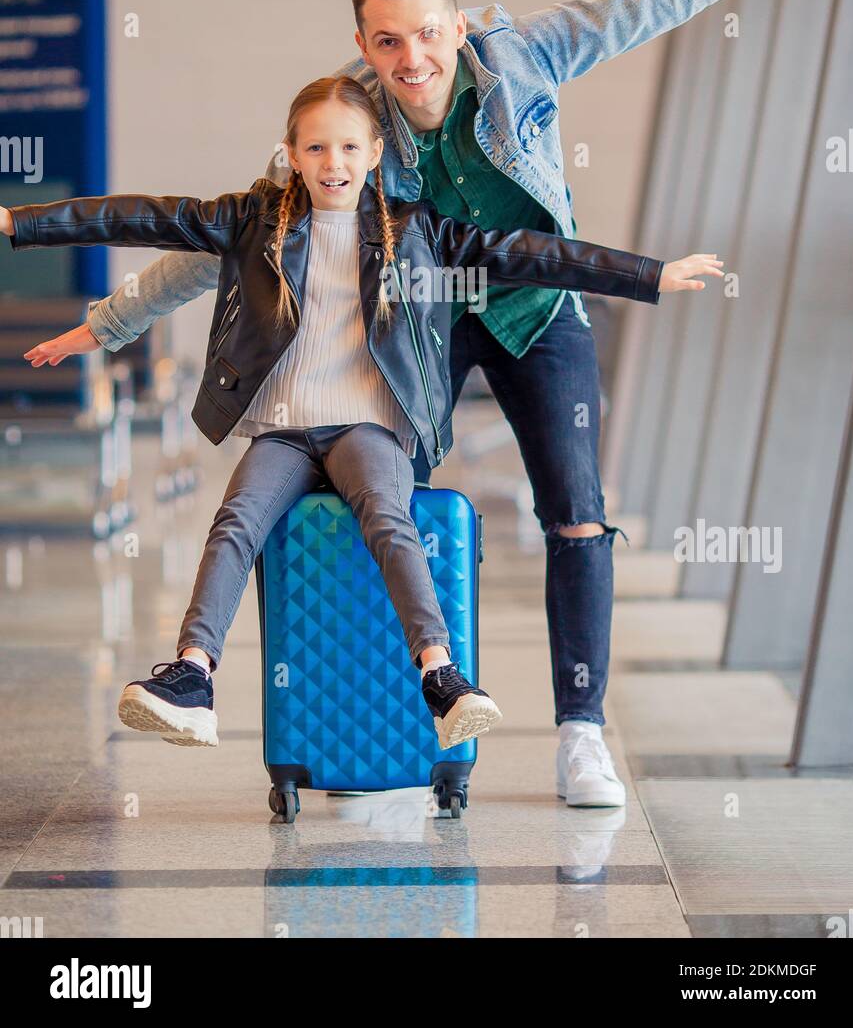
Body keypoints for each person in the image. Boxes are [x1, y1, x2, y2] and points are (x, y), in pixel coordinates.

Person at [22, 0, 853, 806]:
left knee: (576, 515)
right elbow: (238, 237)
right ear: (363, 45)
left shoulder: (527, 57)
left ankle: (579, 734)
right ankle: (363, 722)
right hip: (418, 324)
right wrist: (111, 324)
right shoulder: (344, 119)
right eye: (386, 41)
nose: (409, 58)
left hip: (533, 311)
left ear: (456, 28)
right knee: (356, 496)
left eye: (426, 35)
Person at [3, 76, 721, 755]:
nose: (332, 162)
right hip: (284, 425)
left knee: (387, 511)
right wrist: (17, 223)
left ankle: (442, 676)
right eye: (315, 147)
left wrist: (648, 274)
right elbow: (137, 216)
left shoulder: (420, 232)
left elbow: (534, 253)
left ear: (376, 153)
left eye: (349, 147)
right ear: (291, 155)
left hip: (365, 426)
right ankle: (192, 674)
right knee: (236, 521)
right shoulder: (252, 219)